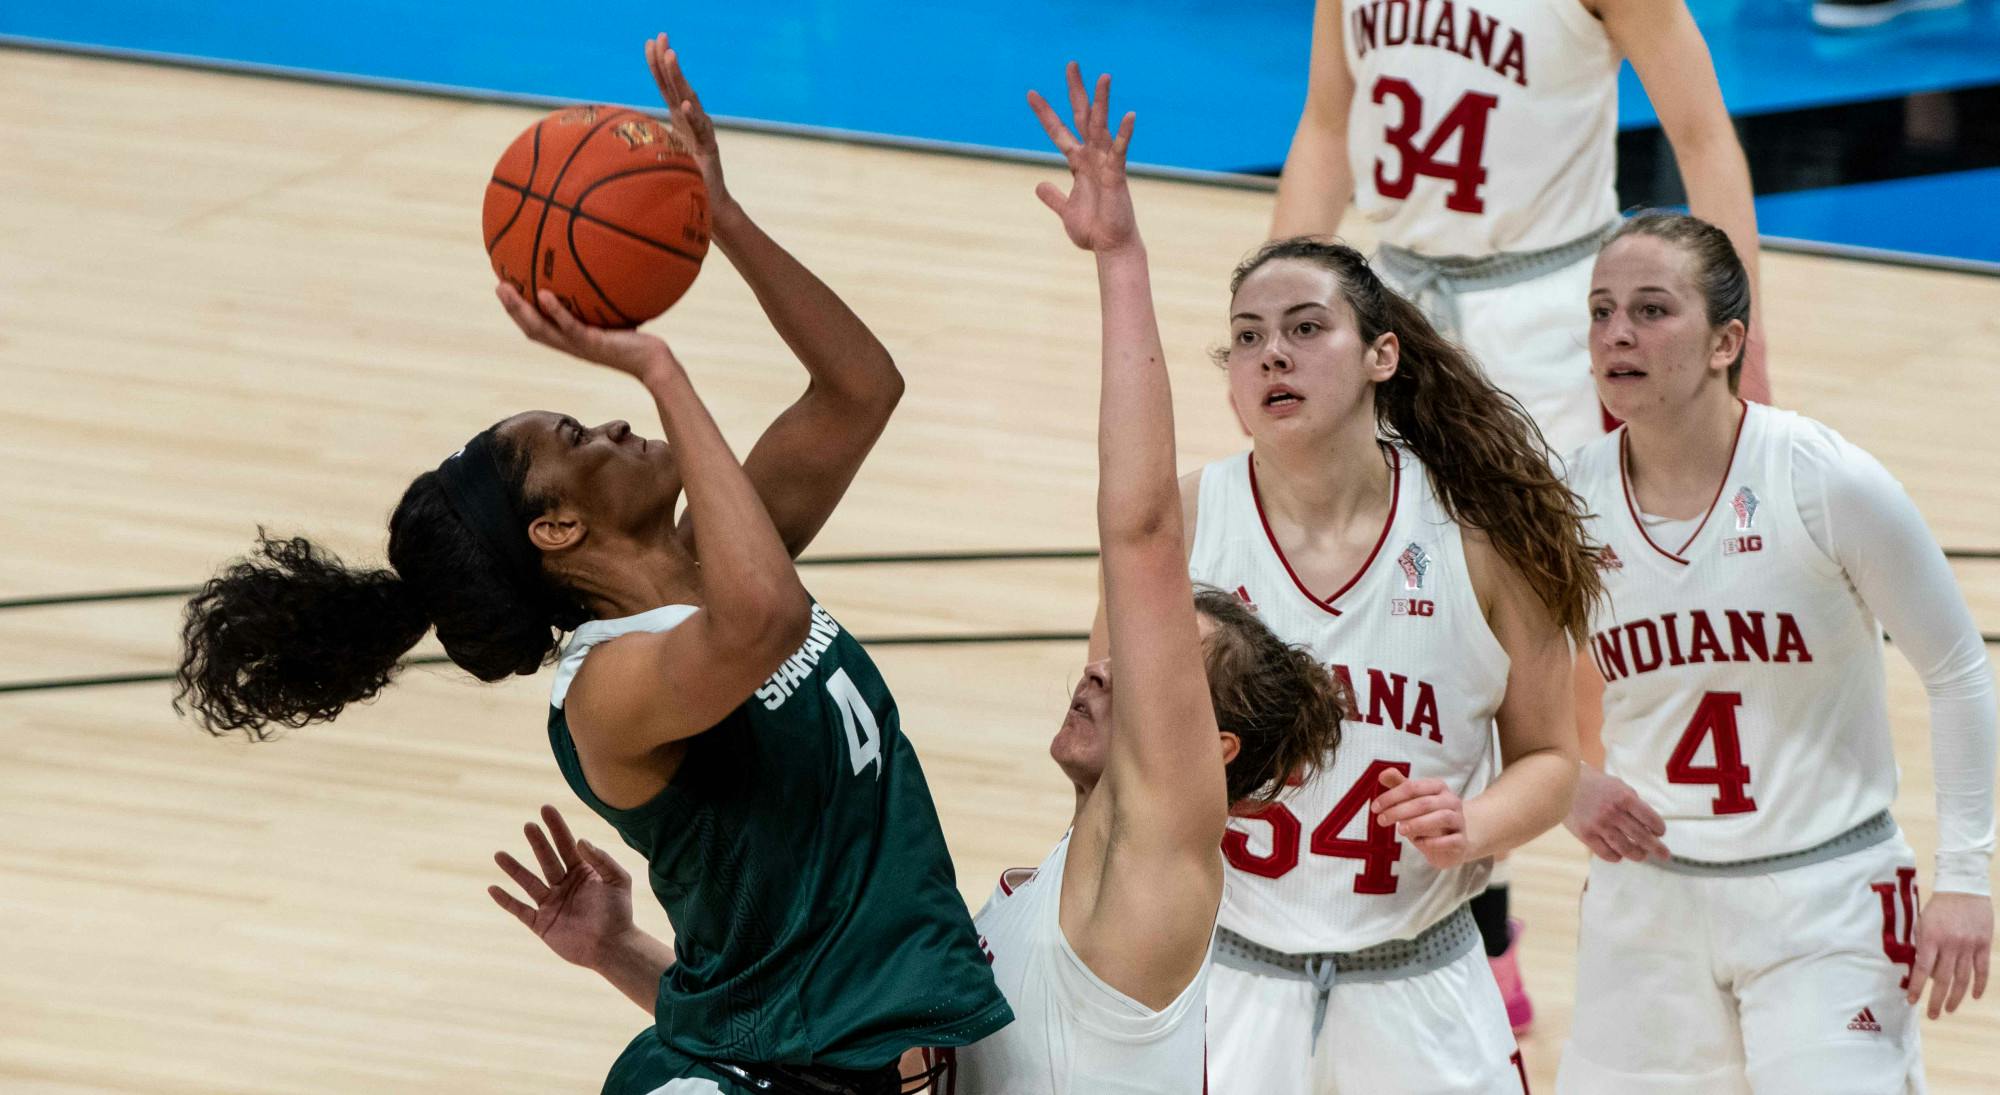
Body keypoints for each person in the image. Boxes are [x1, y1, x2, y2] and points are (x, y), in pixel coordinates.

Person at [174, 35, 1011, 1095]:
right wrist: (658, 367)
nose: (612, 422)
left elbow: (859, 389)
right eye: (579, 435)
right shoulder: (606, 694)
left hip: (851, 1062)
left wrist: (724, 220)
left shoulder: (722, 559)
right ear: (557, 530)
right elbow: (765, 624)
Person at [489, 64, 1349, 1095]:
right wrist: (621, 954)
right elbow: (819, 1051)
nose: (1104, 667)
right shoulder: (994, 923)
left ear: (1203, 749)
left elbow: (1142, 530)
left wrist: (1120, 262)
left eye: (1159, 670)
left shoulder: (1153, 872)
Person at [1270, 0, 1768, 1029]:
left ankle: (1650, 916)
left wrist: (1737, 335)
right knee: (1420, 631)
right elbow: (1326, 124)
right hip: (1396, 315)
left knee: (1592, 647)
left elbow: (1701, 132)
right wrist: (1275, 311)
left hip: (1553, 320)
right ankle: (1480, 921)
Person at [1101, 234, 1596, 1093]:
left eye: (1303, 327)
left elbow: (1553, 758)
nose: (1273, 354)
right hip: (1225, 976)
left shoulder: (1479, 537)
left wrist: (1476, 826)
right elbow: (1108, 750)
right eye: (1248, 337)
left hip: (1421, 982)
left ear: (1382, 354)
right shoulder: (1183, 520)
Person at [1558, 211, 1995, 1093]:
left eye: (1651, 310)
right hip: (1649, 897)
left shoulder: (1823, 479)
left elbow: (1956, 669)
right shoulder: (1567, 501)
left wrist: (1966, 877)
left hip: (1825, 893)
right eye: (1602, 311)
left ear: (1727, 341)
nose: (1617, 334)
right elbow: (1489, 674)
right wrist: (1567, 780)